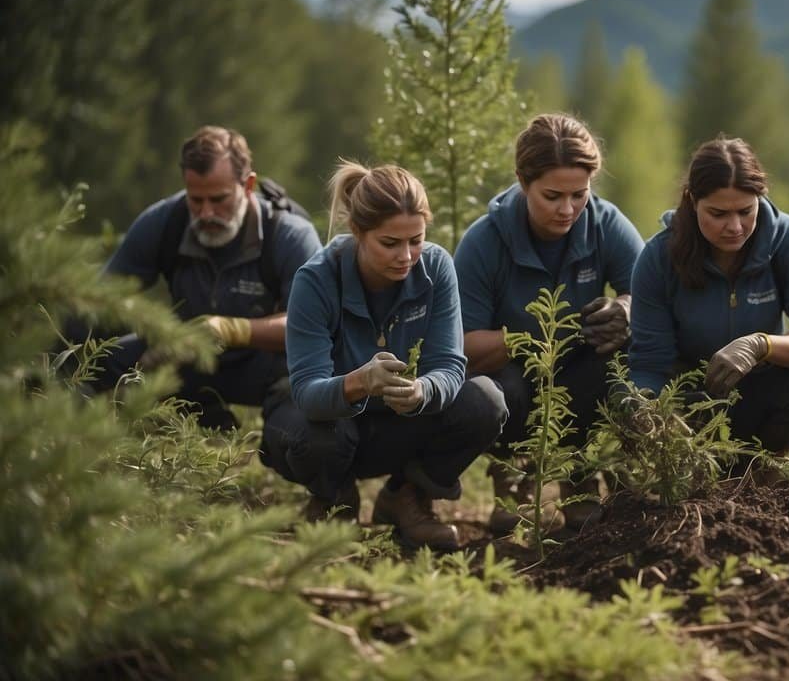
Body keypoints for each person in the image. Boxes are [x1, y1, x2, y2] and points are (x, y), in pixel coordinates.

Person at [271, 161, 507, 551]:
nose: (407, 255)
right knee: (320, 438)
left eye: (416, 239)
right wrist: (358, 382)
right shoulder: (316, 279)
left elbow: (450, 365)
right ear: (359, 233)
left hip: (398, 422)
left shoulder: (435, 266)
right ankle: (334, 500)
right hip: (328, 423)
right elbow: (307, 391)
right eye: (390, 243)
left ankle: (407, 497)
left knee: (485, 401)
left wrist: (423, 390)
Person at [453, 114, 644, 533]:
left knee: (622, 356)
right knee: (499, 388)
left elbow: (655, 298)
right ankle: (513, 473)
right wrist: (540, 336)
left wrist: (627, 309)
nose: (568, 209)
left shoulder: (606, 224)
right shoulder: (484, 241)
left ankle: (581, 473)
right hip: (511, 373)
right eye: (553, 195)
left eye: (580, 194)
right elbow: (463, 345)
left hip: (581, 372)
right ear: (523, 181)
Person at [89, 126, 321, 431]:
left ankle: (281, 442)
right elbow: (98, 296)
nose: (206, 212)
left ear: (248, 184)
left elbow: (312, 325)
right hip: (184, 357)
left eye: (219, 199)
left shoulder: (290, 234)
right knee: (92, 349)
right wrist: (154, 328)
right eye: (195, 200)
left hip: (261, 363)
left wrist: (230, 329)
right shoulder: (164, 221)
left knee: (308, 380)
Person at [628, 136, 789, 463]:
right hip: (688, 403)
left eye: (746, 211)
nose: (735, 226)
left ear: (761, 198)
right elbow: (649, 363)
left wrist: (762, 346)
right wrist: (651, 417)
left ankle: (765, 464)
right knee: (623, 398)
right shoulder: (658, 257)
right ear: (692, 201)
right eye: (717, 213)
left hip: (760, 393)